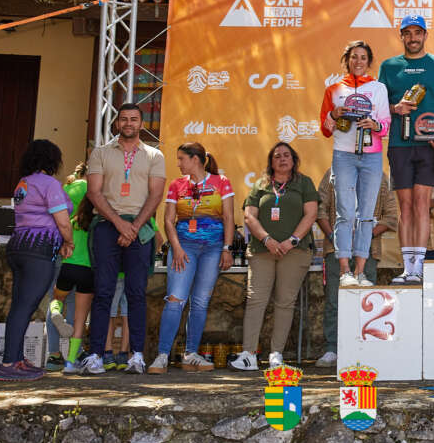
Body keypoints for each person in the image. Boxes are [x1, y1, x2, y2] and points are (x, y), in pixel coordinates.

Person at [78, 103, 166, 375]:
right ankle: (95, 355)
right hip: (107, 225)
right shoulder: (101, 153)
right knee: (103, 291)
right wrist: (119, 224)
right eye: (124, 119)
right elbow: (94, 192)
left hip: (140, 227)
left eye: (134, 119)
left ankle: (136, 355)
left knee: (136, 293)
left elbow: (156, 195)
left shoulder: (154, 155)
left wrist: (134, 227)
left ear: (142, 124)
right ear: (117, 124)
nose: (129, 123)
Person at [230, 142, 319, 371]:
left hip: (295, 251)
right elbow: (249, 216)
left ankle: (276, 355)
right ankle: (249, 354)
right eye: (277, 156)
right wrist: (267, 240)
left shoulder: (304, 183)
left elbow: (311, 214)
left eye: (287, 155)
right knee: (256, 300)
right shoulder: (260, 184)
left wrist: (292, 241)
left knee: (285, 302)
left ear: (294, 160)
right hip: (262, 251)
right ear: (271, 162)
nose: (282, 159)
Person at [149, 143, 235, 373]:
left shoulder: (221, 182)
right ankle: (162, 355)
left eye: (181, 159)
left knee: (200, 302)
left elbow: (228, 217)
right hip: (184, 247)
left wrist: (227, 248)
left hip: (213, 248)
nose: (178, 163)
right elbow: (168, 220)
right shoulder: (176, 185)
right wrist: (176, 248)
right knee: (175, 299)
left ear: (195, 159)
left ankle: (191, 354)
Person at [378, 14, 434, 284]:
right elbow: (380, 106)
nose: (413, 38)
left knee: (422, 204)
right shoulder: (389, 66)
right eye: (407, 33)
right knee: (405, 207)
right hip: (399, 144)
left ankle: (418, 267)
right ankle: (407, 267)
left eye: (417, 32)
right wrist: (395, 108)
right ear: (402, 36)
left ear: (425, 35)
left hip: (428, 143)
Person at [0, 140, 74, 381]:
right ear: (52, 160)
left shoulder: (23, 183)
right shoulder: (49, 184)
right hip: (38, 249)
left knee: (20, 305)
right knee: (25, 307)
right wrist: (69, 242)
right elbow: (63, 221)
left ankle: (16, 359)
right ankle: (9, 364)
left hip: (18, 246)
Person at [319, 40, 391, 287]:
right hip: (344, 155)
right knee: (346, 212)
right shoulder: (334, 89)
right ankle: (344, 270)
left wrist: (375, 125)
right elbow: (325, 129)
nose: (358, 61)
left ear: (369, 62)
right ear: (346, 60)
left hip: (371, 155)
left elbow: (386, 125)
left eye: (363, 57)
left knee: (367, 214)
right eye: (354, 57)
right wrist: (334, 114)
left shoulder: (378, 88)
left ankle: (361, 271)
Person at [314, 168, 398, 367]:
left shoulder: (379, 176)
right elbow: (320, 209)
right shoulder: (334, 172)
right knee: (334, 300)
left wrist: (365, 236)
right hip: (336, 249)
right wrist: (334, 237)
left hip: (367, 250)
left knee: (367, 302)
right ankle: (333, 349)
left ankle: (365, 349)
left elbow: (391, 216)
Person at [47, 163, 95, 374]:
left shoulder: (64, 188)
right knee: (78, 311)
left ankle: (53, 354)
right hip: (86, 265)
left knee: (56, 299)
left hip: (63, 252)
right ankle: (74, 355)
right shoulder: (91, 189)